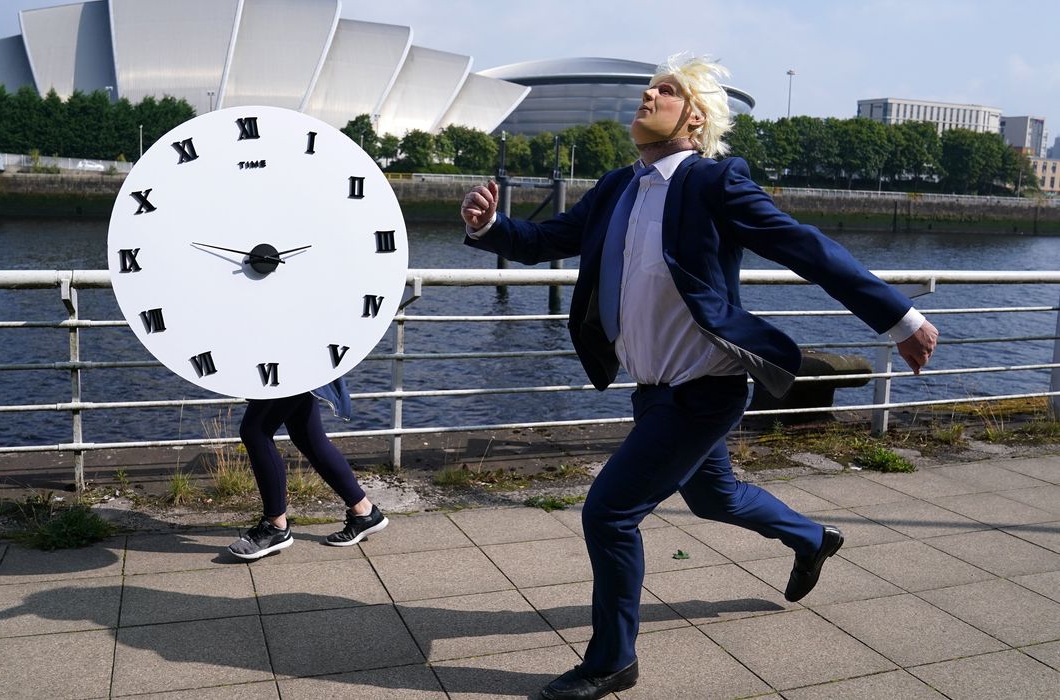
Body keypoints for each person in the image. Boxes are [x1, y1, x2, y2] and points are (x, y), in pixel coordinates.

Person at [459, 53, 939, 700]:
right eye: (648, 87)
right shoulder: (615, 187)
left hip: (706, 387)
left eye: (666, 90)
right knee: (714, 497)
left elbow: (804, 246)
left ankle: (610, 662)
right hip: (654, 391)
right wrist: (489, 227)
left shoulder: (713, 182)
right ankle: (812, 538)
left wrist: (898, 318)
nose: (648, 94)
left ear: (694, 116)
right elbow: (548, 237)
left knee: (608, 513)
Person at [227, 377, 388, 559]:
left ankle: (275, 526)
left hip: (287, 365)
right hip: (298, 362)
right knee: (307, 436)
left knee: (255, 432)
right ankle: (364, 512)